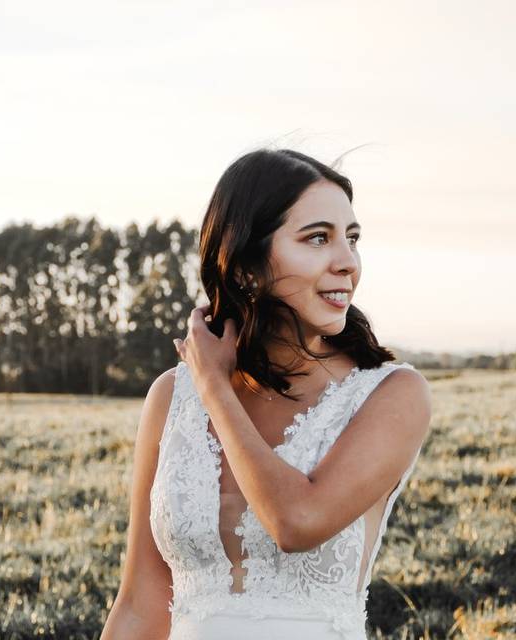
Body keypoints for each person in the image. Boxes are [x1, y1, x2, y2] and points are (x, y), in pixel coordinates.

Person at [100, 148, 432, 640]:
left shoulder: (392, 394)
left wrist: (214, 387)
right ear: (246, 267)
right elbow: (139, 603)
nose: (347, 262)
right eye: (318, 238)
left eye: (352, 239)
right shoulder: (172, 398)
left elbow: (296, 521)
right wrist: (206, 386)